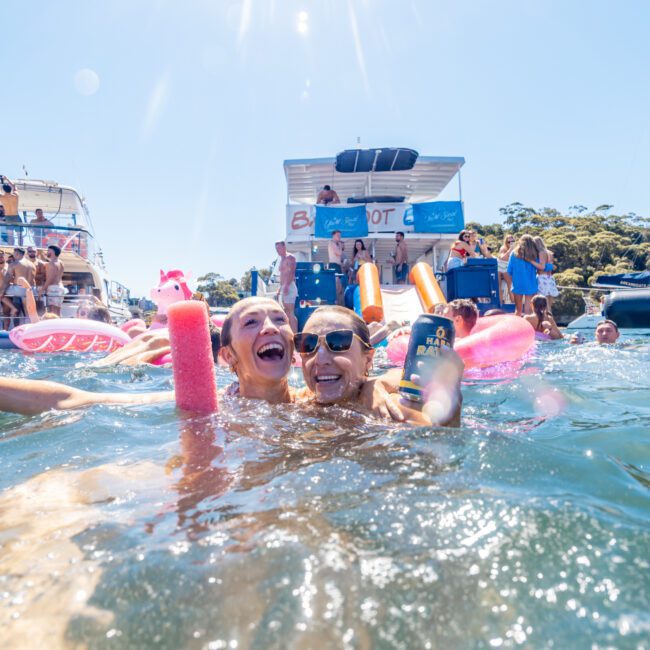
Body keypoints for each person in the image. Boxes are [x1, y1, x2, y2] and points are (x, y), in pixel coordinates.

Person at [296, 305, 463, 426]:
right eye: (308, 345)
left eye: (338, 343)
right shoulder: (296, 402)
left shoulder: (389, 411)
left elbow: (440, 454)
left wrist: (451, 415)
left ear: (368, 359)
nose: (320, 359)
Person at [507, 235, 544, 316]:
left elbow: (509, 270)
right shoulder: (534, 254)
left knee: (518, 311)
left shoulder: (513, 254)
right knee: (528, 311)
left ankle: (517, 327)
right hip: (530, 284)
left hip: (517, 284)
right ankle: (528, 327)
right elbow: (540, 268)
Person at [274, 240, 298, 332]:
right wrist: (280, 288)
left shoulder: (290, 257)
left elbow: (292, 272)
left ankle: (295, 335)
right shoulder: (282, 259)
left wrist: (287, 286)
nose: (278, 250)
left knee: (290, 312)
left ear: (284, 247)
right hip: (284, 287)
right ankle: (290, 333)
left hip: (290, 286)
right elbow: (283, 275)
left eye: (279, 248)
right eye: (276, 249)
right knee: (287, 312)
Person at [533, 236, 559, 310]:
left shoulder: (541, 253)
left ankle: (546, 319)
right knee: (549, 304)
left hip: (542, 278)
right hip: (549, 278)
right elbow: (551, 267)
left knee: (543, 304)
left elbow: (542, 267)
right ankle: (550, 319)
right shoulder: (548, 253)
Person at [41, 244, 66, 316]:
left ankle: (55, 326)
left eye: (48, 250)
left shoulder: (51, 263)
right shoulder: (61, 262)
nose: (47, 252)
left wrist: (42, 290)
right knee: (58, 311)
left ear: (52, 252)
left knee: (52, 311)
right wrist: (41, 255)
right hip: (60, 288)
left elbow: (50, 279)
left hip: (53, 289)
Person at [0, 176, 22, 245]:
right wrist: (7, 179)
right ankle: (20, 246)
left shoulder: (2, 197)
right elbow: (14, 186)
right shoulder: (15, 195)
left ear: (3, 190)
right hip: (16, 216)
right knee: (19, 235)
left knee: (10, 235)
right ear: (10, 189)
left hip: (8, 217)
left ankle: (11, 247)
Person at [497, 234, 516, 303]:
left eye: (512, 241)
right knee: (498, 285)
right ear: (506, 242)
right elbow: (502, 258)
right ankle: (500, 303)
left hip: (507, 266)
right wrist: (510, 249)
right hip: (500, 265)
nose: (511, 243)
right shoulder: (503, 248)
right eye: (509, 242)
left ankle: (513, 302)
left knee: (510, 284)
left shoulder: (516, 249)